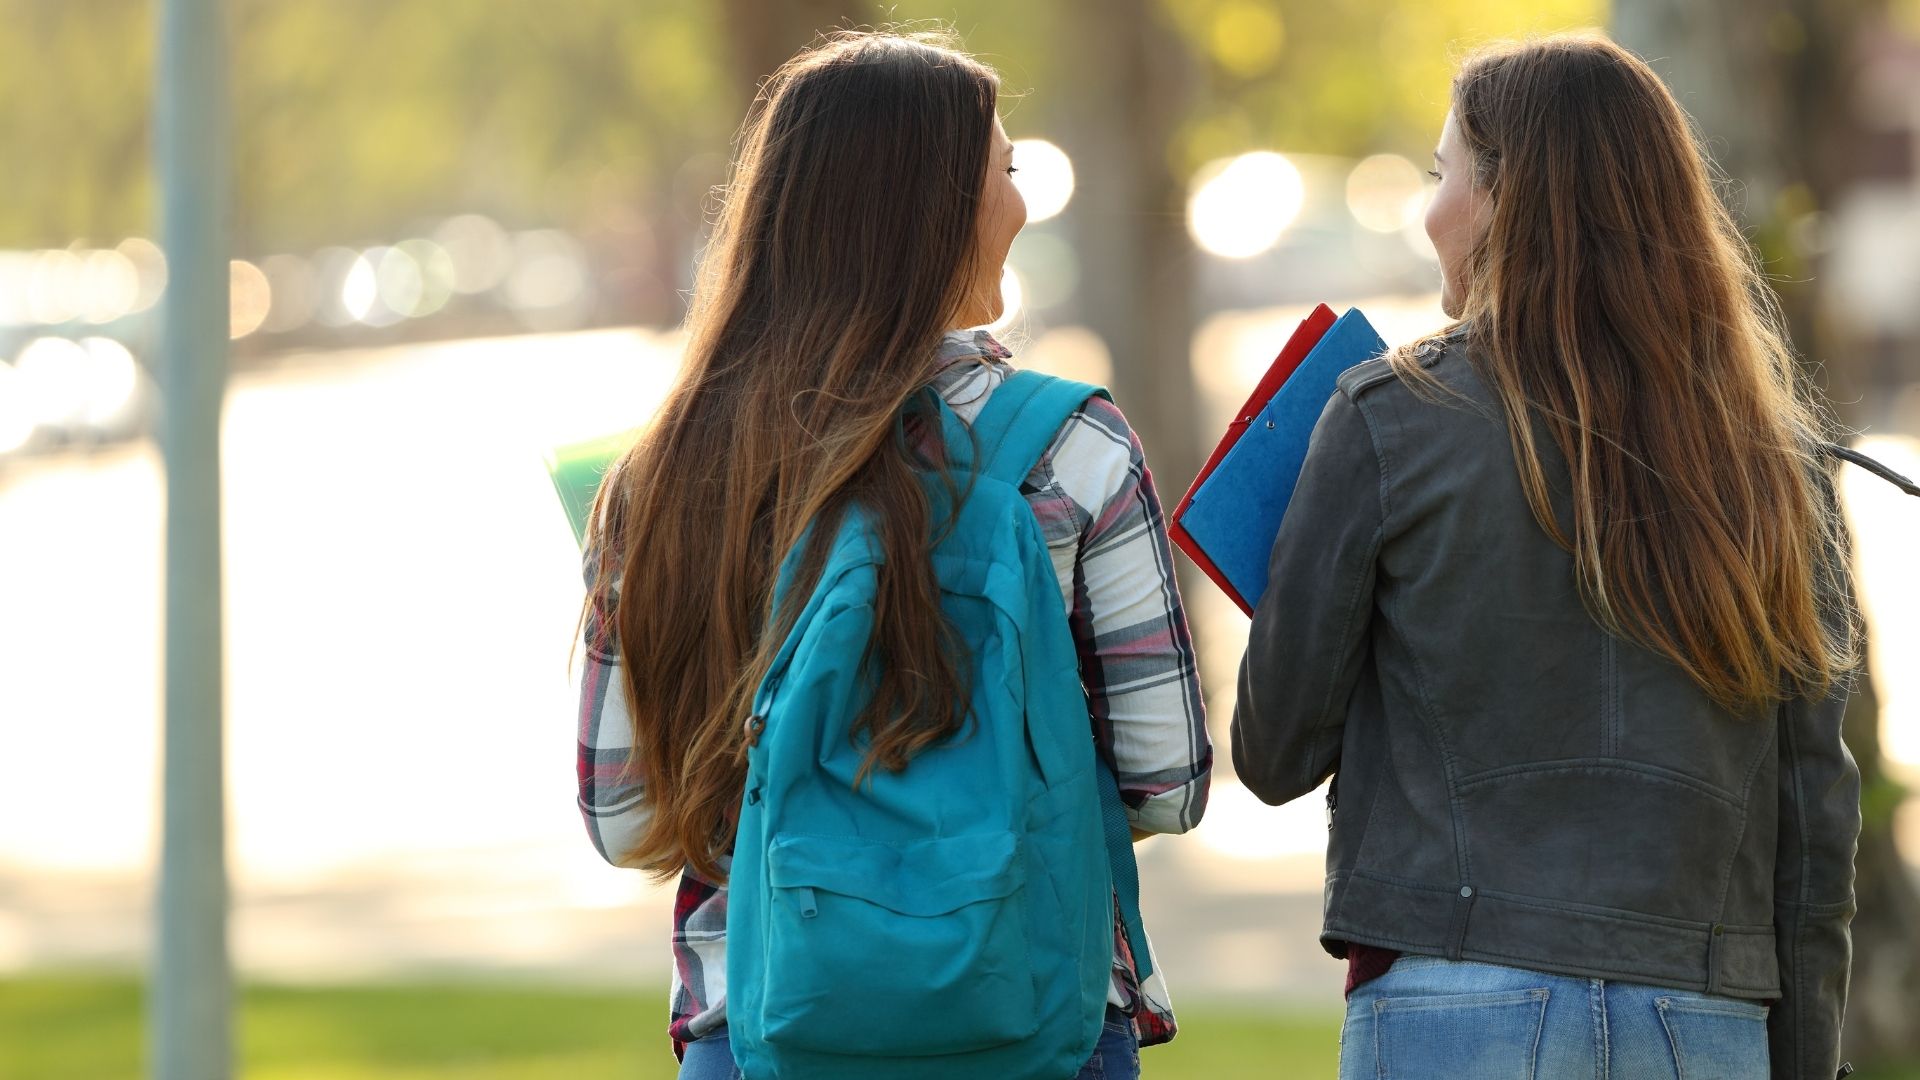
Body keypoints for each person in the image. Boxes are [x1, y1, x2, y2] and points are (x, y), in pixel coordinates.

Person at [575, 29, 1211, 1080]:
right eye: (1006, 171)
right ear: (937, 211)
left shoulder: (665, 480)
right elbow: (1168, 782)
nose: (1021, 200)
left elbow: (624, 812)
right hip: (1035, 1024)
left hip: (766, 1031)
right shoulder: (1072, 450)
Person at [1232, 33, 1861, 1080]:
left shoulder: (1388, 419)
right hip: (1703, 1020)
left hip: (1448, 1007)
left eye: (1443, 176)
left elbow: (1274, 752)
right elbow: (1813, 830)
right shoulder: (1774, 465)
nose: (1429, 209)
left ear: (1501, 201)